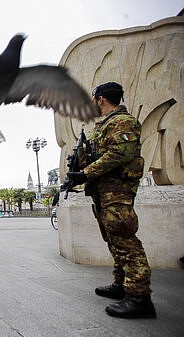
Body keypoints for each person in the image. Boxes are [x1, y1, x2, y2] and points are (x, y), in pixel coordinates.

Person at [67, 82, 156, 319]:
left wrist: (85, 173)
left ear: (101, 99)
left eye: (94, 98)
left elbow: (120, 154)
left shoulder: (123, 121)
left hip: (117, 189)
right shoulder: (105, 124)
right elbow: (101, 155)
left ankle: (139, 297)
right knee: (113, 238)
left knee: (125, 240)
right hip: (104, 190)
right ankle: (121, 285)